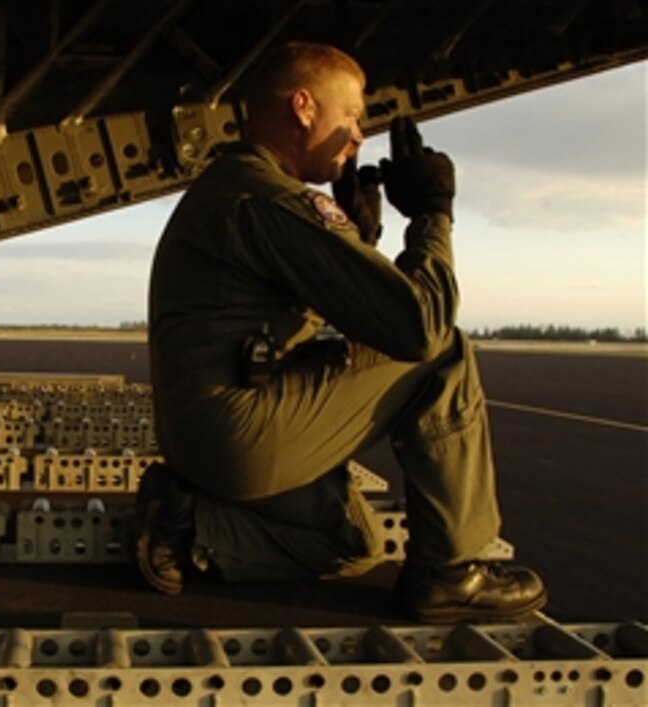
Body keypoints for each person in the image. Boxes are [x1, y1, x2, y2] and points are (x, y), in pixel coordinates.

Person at [136, 41, 547, 623]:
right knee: (445, 353)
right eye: (351, 113)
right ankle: (453, 573)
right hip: (240, 431)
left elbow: (335, 311)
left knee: (353, 542)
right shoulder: (268, 197)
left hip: (205, 440)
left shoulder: (239, 186)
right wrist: (433, 214)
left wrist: (358, 238)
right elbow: (417, 328)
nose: (358, 133)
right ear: (303, 107)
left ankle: (189, 524)